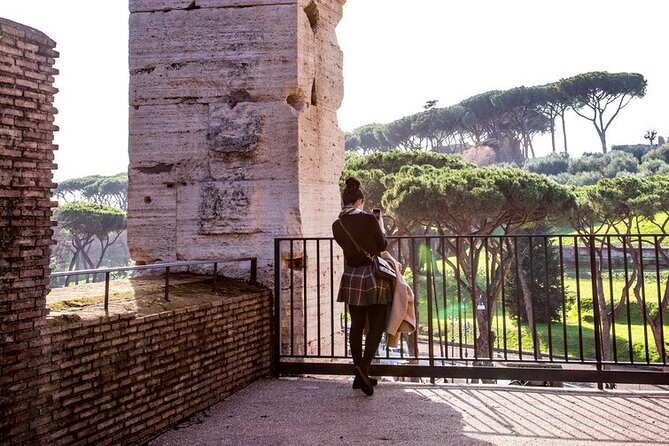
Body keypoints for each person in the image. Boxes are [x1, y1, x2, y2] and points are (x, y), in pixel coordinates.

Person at [332, 177, 392, 396]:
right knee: (378, 322)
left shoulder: (337, 225)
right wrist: (380, 224)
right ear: (360, 200)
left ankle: (360, 376)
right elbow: (382, 245)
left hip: (351, 276)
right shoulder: (368, 219)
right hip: (372, 275)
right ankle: (364, 368)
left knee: (356, 325)